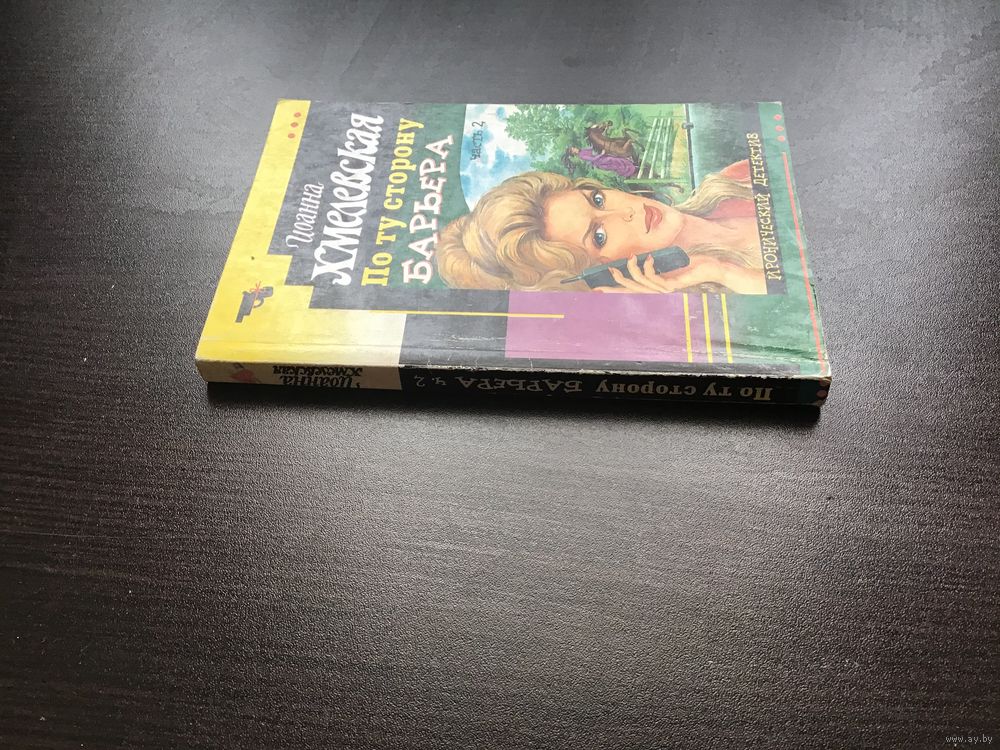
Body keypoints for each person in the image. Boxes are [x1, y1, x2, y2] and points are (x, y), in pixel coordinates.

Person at [436, 160, 768, 294]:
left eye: (597, 200)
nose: (626, 213)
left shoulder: (735, 179)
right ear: (607, 272)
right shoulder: (716, 296)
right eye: (599, 236)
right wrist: (720, 272)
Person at [565, 144, 638, 179]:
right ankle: (631, 170)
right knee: (613, 160)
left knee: (615, 155)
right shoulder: (581, 156)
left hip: (601, 157)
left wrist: (598, 144)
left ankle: (632, 164)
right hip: (600, 161)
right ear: (573, 153)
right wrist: (601, 154)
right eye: (573, 149)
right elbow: (593, 159)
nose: (575, 148)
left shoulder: (582, 149)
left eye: (574, 147)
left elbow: (592, 148)